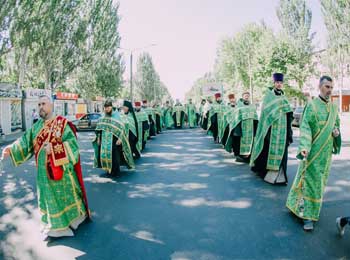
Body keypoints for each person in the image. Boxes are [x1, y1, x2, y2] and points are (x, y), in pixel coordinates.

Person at [2, 95, 90, 239]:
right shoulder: (36, 127)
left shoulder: (62, 124)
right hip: (43, 173)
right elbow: (25, 141)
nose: (40, 107)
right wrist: (11, 148)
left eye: (43, 103)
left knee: (66, 197)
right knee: (49, 200)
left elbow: (73, 146)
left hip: (61, 171)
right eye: (38, 104)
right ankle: (56, 227)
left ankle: (74, 221)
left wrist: (55, 148)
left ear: (51, 105)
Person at [286, 76, 341, 231]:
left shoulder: (334, 108)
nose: (329, 90)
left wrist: (337, 133)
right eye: (327, 87)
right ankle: (307, 216)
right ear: (319, 87)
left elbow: (336, 126)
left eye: (331, 87)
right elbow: (305, 128)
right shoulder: (311, 106)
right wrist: (304, 146)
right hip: (312, 152)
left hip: (326, 154)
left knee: (319, 183)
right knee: (309, 182)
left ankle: (299, 206)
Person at [250, 73, 293, 185]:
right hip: (271, 129)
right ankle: (268, 175)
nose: (279, 84)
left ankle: (280, 177)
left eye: (280, 83)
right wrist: (267, 131)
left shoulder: (284, 97)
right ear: (274, 83)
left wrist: (289, 132)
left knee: (282, 154)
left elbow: (289, 114)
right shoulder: (268, 96)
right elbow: (265, 114)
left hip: (282, 131)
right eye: (277, 82)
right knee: (268, 151)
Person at [93, 99, 135, 177]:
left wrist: (120, 138)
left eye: (108, 107)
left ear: (111, 107)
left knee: (115, 156)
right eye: (105, 108)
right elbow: (99, 129)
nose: (107, 109)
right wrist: (98, 138)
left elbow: (123, 128)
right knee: (104, 155)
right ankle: (109, 170)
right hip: (104, 139)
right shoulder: (103, 116)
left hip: (114, 139)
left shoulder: (118, 116)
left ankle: (116, 172)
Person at [225, 92, 258, 163]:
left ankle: (248, 156)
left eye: (248, 96)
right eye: (245, 96)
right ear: (242, 97)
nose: (246, 97)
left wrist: (256, 126)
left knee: (251, 142)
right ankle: (239, 156)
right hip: (240, 127)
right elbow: (235, 117)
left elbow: (255, 116)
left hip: (251, 128)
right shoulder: (239, 105)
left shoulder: (252, 106)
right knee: (238, 141)